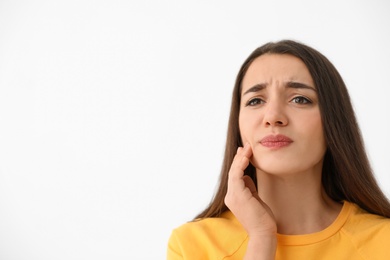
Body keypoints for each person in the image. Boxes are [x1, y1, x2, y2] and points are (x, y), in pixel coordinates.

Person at [166, 40, 390, 259]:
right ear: (238, 124)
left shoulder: (384, 241)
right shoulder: (192, 246)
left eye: (300, 99)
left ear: (334, 121)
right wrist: (261, 239)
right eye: (255, 101)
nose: (273, 117)